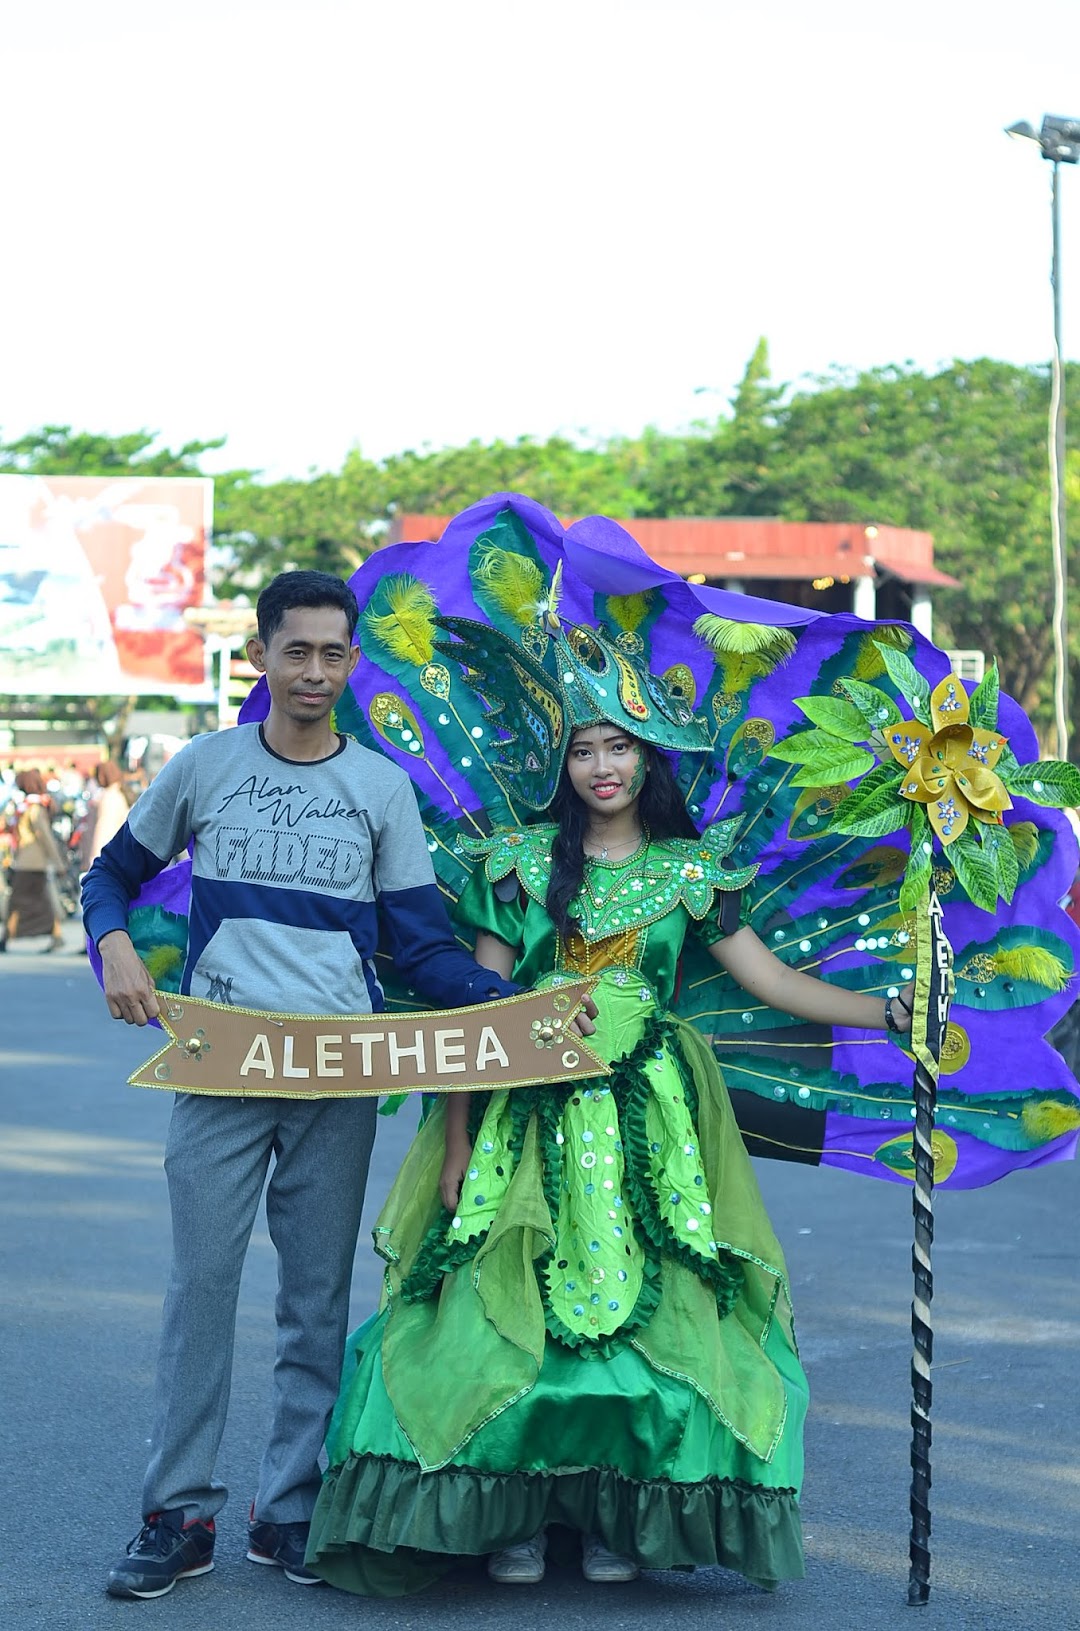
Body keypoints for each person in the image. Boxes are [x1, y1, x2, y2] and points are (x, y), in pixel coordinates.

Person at [304, 708, 914, 1596]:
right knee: (506, 1306)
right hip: (524, 1112)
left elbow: (774, 982)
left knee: (640, 1313)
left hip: (645, 1126)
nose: (601, 766)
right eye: (582, 750)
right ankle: (510, 1515)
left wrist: (888, 1013)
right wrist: (459, 1137)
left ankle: (612, 1510)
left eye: (619, 747)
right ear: (561, 766)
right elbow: (477, 1013)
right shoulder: (516, 864)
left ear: (647, 760)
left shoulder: (690, 873)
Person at [81, 569, 524, 1602]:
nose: (315, 670)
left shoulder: (379, 788)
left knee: (317, 1300)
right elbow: (109, 874)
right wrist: (115, 947)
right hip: (220, 1066)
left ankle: (288, 1508)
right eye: (297, 650)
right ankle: (176, 1511)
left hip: (340, 1071)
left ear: (352, 659)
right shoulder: (204, 764)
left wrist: (516, 1006)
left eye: (334, 652)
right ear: (261, 657)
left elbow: (422, 948)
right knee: (202, 1290)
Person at [1, 768, 66, 951]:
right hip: (28, 863)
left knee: (17, 902)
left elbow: (45, 837)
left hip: (31, 864)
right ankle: (56, 936)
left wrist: (59, 863)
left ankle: (5, 938)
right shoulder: (25, 807)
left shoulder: (35, 809)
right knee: (40, 902)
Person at [79, 760, 133, 873]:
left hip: (108, 857)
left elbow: (103, 829)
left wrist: (94, 859)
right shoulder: (119, 792)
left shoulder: (109, 797)